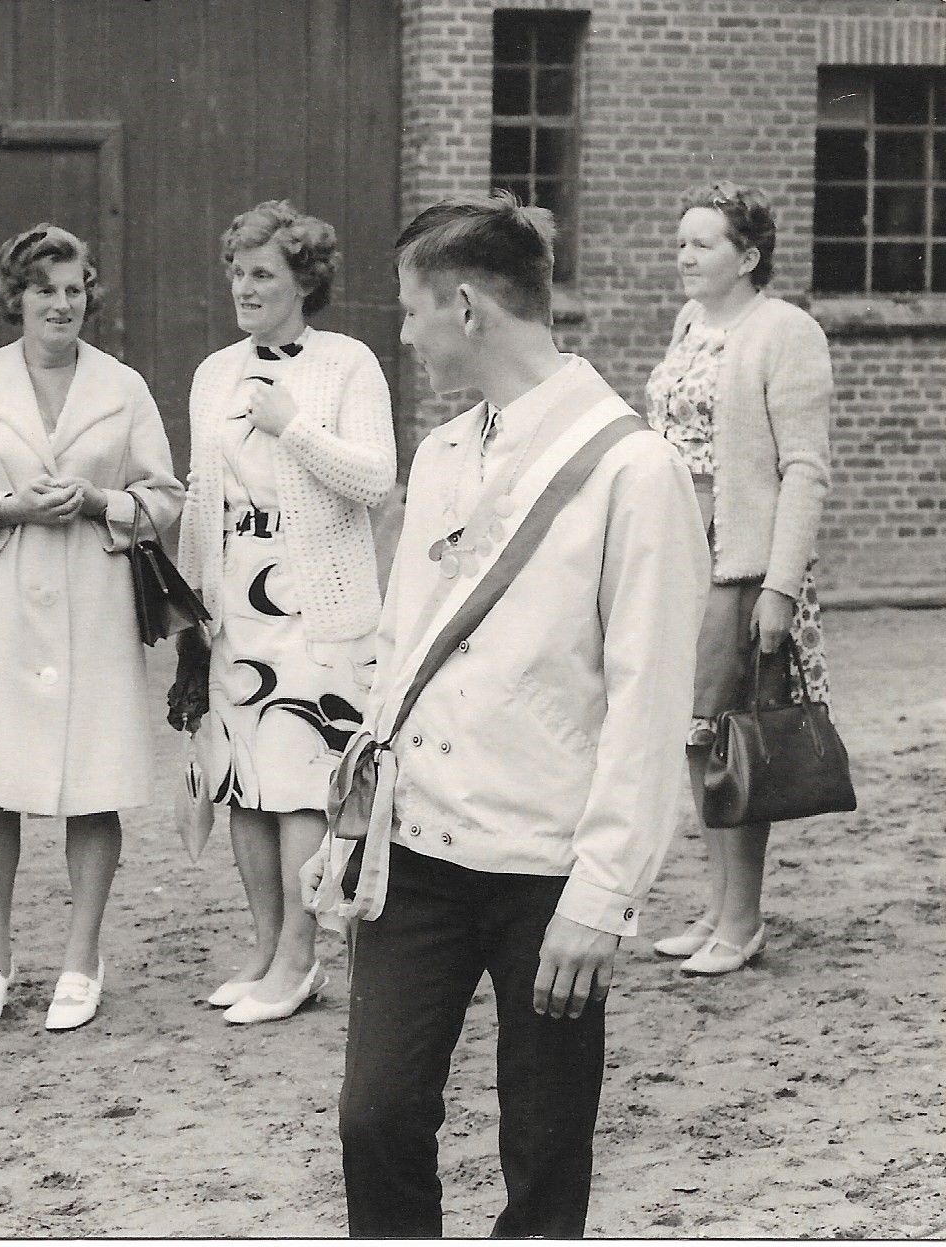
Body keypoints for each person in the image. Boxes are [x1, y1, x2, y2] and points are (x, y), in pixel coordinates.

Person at [305, 193, 709, 1236]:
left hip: (550, 865)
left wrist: (605, 891)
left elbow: (649, 701)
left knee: (543, 1147)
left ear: (470, 307)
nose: (403, 333)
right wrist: (356, 815)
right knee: (376, 1115)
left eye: (409, 310)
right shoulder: (441, 457)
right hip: (421, 844)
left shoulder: (634, 469)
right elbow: (404, 651)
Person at [0, 223, 183, 1033]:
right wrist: (9, 507)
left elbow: (165, 495)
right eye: (44, 290)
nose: (61, 305)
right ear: (15, 299)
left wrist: (105, 502)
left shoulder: (124, 386)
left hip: (91, 605)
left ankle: (79, 957)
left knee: (91, 786)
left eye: (73, 289)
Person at [175, 200, 397, 1025]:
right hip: (237, 602)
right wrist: (194, 602)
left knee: (304, 782)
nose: (244, 286)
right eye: (237, 271)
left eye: (262, 272)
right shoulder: (214, 373)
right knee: (243, 779)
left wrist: (294, 426)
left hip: (317, 604)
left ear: (305, 280)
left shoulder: (346, 366)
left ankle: (302, 960)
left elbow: (376, 479)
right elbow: (204, 498)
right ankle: (265, 947)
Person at [645, 182, 836, 977]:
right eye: (681, 241)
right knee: (694, 737)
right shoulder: (692, 324)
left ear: (749, 257)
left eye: (703, 244)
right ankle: (718, 903)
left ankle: (744, 918)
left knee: (736, 740)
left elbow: (806, 470)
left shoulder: (786, 332)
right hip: (679, 554)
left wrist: (778, 587)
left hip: (741, 563)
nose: (684, 255)